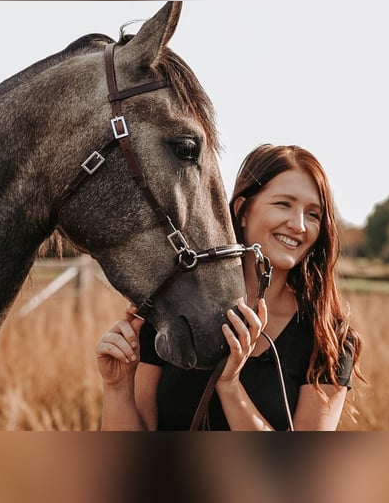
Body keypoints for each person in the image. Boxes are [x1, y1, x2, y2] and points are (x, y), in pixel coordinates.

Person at [96, 144, 363, 430]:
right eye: (283, 204)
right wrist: (118, 387)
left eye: (313, 214)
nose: (299, 225)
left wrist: (230, 385)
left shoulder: (329, 340)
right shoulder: (175, 310)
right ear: (242, 210)